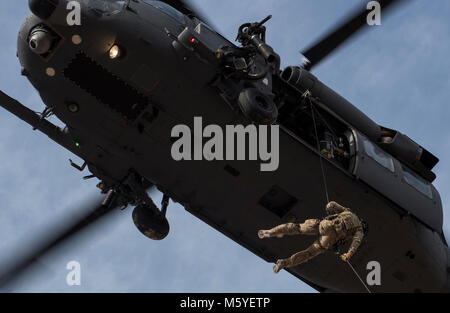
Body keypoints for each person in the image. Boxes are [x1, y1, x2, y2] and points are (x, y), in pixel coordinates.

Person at [258, 201, 364, 273]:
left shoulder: (348, 212)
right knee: (308, 253)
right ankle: (284, 263)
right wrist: (348, 255)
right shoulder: (359, 230)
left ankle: (270, 232)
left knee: (297, 228)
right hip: (329, 238)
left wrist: (329, 212)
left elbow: (331, 204)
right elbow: (356, 242)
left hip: (324, 224)